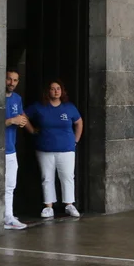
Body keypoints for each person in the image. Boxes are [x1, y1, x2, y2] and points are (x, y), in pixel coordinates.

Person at [26, 79, 83, 219]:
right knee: (47, 177)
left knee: (67, 176)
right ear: (48, 91)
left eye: (58, 88)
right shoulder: (39, 107)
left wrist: (75, 141)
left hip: (66, 148)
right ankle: (48, 206)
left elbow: (79, 122)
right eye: (52, 88)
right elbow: (23, 116)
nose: (56, 91)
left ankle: (69, 204)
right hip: (44, 148)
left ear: (62, 91)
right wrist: (32, 130)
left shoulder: (69, 107)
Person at [2, 70, 30, 230]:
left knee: (10, 184)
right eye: (9, 79)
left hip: (11, 148)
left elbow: (21, 117)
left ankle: (8, 215)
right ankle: (6, 216)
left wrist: (22, 121)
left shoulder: (17, 98)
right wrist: (12, 120)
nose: (11, 83)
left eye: (15, 80)